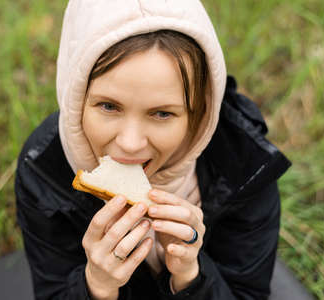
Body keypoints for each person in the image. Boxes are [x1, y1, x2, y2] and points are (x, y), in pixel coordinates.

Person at [15, 1, 291, 299]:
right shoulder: (43, 170)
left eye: (162, 114)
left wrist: (189, 276)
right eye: (108, 106)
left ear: (199, 115)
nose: (130, 143)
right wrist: (96, 286)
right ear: (76, 97)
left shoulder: (245, 165)